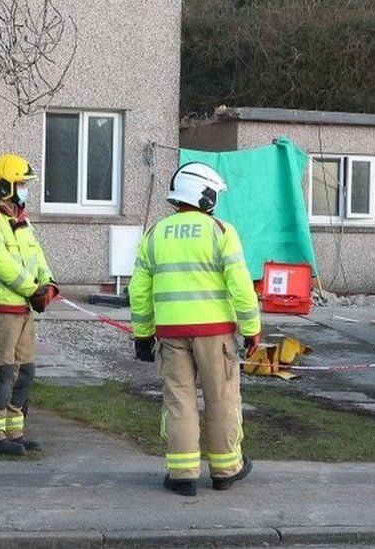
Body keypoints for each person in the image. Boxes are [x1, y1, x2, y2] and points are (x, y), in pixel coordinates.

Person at [129, 162, 260, 497]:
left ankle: (183, 474)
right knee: (222, 399)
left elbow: (139, 290)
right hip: (215, 334)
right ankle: (225, 470)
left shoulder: (155, 233)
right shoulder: (220, 231)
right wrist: (251, 329)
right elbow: (241, 285)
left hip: (170, 335)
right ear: (204, 195)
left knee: (179, 401)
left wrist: (142, 334)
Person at [0, 153, 57, 456]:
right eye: (21, 184)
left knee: (23, 372)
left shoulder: (20, 220)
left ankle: (13, 430)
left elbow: (37, 256)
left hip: (23, 309)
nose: (25, 189)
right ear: (4, 185)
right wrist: (32, 288)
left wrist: (48, 283)